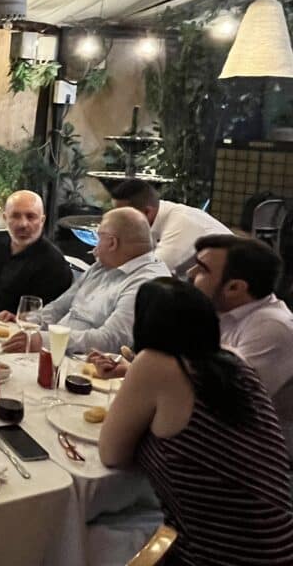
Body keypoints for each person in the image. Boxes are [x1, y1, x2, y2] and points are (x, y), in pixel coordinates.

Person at [98, 278, 293, 564]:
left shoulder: (154, 363)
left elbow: (111, 454)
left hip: (216, 555)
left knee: (89, 532)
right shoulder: (234, 364)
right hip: (277, 548)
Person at [96, 233, 293, 454]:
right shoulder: (221, 310)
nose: (190, 274)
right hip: (203, 439)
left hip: (243, 455)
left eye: (202, 269)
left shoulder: (273, 328)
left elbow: (220, 400)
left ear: (235, 288)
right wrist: (132, 370)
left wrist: (147, 373)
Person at [0, 207, 170, 355]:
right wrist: (28, 321)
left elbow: (111, 340)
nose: (94, 249)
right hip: (55, 351)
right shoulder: (104, 265)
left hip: (89, 366)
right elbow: (59, 307)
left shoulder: (147, 283)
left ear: (112, 243)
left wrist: (43, 340)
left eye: (99, 238)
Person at [111, 178, 229, 274]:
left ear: (147, 212)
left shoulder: (181, 222)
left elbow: (151, 270)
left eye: (122, 216)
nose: (117, 221)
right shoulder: (150, 219)